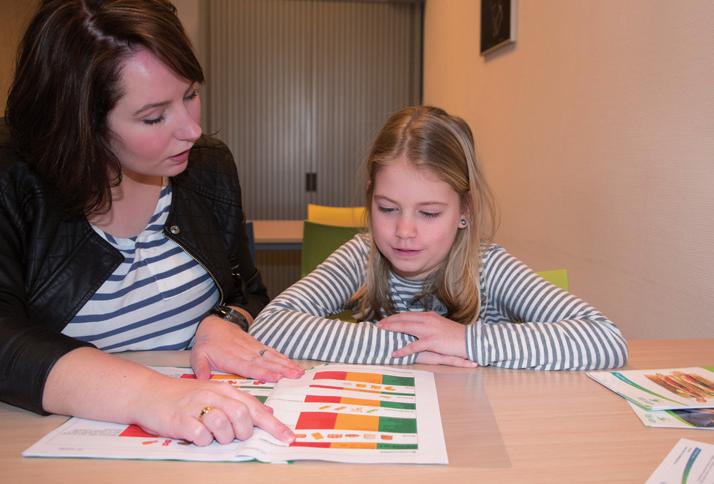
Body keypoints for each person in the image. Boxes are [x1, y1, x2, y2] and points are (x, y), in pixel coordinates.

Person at [0, 0, 303, 446]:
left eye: (190, 95)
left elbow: (250, 292)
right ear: (78, 123)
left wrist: (223, 321)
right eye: (154, 116)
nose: (191, 130)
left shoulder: (207, 167)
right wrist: (155, 397)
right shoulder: (13, 180)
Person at [251, 106, 628, 370]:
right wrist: (411, 349)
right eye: (387, 208)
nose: (404, 231)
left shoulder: (488, 267)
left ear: (464, 210)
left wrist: (464, 341)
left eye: (429, 213)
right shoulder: (361, 255)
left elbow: (604, 340)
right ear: (370, 197)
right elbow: (269, 325)